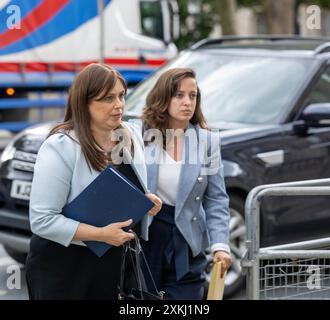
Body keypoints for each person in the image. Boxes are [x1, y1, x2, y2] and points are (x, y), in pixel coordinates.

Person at [25, 63, 162, 300]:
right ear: (84, 103)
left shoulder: (130, 135)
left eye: (121, 95)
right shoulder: (61, 146)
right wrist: (100, 234)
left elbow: (127, 191)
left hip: (111, 264)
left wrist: (145, 202)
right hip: (62, 267)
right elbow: (42, 220)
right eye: (108, 98)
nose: (119, 105)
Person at [139, 67, 232, 300]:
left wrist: (220, 244)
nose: (187, 102)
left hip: (187, 242)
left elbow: (216, 199)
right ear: (163, 98)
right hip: (146, 238)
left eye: (193, 95)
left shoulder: (208, 142)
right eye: (179, 95)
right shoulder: (139, 135)